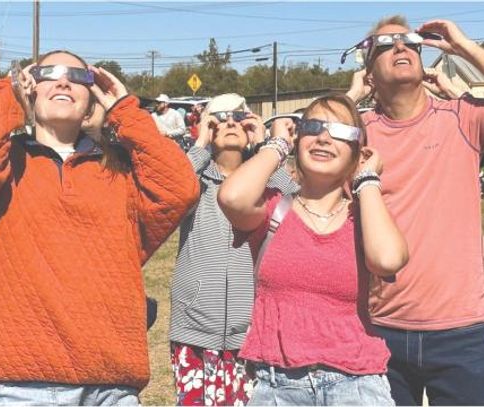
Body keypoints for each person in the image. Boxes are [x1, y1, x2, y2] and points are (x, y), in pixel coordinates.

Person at [0, 50, 199, 406]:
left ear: (93, 97)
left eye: (78, 76)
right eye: (50, 73)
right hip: (23, 384)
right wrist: (10, 93)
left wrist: (125, 112)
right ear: (32, 86)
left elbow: (180, 189)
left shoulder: (119, 171)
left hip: (113, 384)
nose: (64, 80)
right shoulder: (3, 167)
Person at [218, 93, 408, 406]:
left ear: (358, 151)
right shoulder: (273, 209)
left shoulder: (365, 216)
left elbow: (387, 259)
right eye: (313, 126)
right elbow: (232, 197)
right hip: (277, 385)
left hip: (356, 385)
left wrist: (367, 178)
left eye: (340, 131)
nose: (323, 137)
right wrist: (277, 145)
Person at [345, 16, 484, 405]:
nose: (401, 49)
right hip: (378, 327)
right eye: (385, 45)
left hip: (463, 331)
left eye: (408, 42)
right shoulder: (356, 133)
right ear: (369, 70)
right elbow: (301, 154)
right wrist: (350, 99)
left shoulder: (464, 117)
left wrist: (465, 47)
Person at [169, 93, 299, 406]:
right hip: (194, 330)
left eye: (239, 117)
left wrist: (267, 150)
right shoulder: (196, 181)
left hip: (253, 330)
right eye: (220, 118)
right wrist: (199, 145)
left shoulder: (266, 183)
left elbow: (297, 206)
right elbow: (170, 191)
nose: (230, 123)